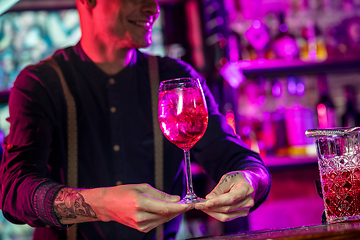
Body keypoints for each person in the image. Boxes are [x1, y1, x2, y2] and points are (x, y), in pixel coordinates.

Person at [0, 0, 271, 239]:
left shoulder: (175, 78)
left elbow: (242, 161)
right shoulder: (39, 83)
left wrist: (250, 181)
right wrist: (102, 203)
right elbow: (14, 192)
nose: (153, 8)